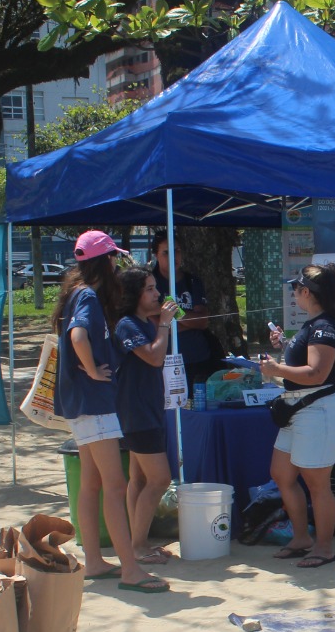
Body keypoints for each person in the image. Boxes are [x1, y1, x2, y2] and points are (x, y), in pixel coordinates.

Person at [53, 230, 167, 594]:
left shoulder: (74, 292)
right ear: (106, 261)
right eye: (114, 258)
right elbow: (78, 337)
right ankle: (131, 570)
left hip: (80, 402)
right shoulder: (87, 295)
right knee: (114, 487)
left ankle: (95, 561)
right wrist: (90, 369)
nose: (117, 264)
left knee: (91, 484)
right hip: (94, 401)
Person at [260, 263, 335, 569]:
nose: (292, 295)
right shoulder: (315, 324)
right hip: (299, 410)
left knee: (318, 483)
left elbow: (316, 373)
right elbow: (307, 361)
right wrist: (286, 347)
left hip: (320, 411)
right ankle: (301, 537)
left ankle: (324, 547)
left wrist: (275, 370)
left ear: (307, 292)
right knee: (282, 474)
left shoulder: (325, 327)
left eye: (295, 289)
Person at [113, 267, 179, 566]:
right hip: (136, 411)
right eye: (150, 289)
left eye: (156, 288)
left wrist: (161, 324)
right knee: (160, 478)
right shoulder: (127, 324)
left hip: (147, 408)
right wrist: (164, 325)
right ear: (134, 295)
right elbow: (154, 358)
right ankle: (137, 546)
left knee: (138, 478)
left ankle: (136, 542)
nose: (157, 294)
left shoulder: (142, 322)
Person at [149, 231, 223, 386]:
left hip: (197, 359)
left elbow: (202, 322)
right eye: (166, 252)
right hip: (165, 361)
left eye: (176, 250)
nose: (173, 256)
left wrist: (173, 312)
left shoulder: (193, 282)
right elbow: (155, 325)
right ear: (156, 255)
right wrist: (188, 322)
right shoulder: (150, 283)